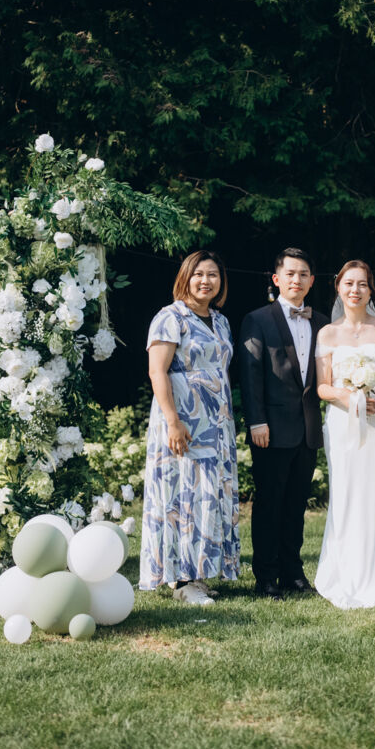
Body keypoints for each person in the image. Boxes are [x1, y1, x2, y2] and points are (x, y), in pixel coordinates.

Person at [139, 250, 239, 606]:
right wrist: (172, 421)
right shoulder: (170, 318)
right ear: (185, 277)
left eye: (213, 275)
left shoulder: (221, 321)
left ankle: (197, 573)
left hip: (216, 424)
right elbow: (157, 371)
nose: (206, 281)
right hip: (183, 421)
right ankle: (181, 580)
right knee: (183, 494)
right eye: (198, 274)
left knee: (208, 495)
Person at [312, 260, 375, 608]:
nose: (355, 290)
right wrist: (348, 397)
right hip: (342, 423)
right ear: (338, 287)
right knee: (346, 492)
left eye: (362, 284)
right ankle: (345, 574)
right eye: (349, 283)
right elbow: (322, 386)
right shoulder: (327, 334)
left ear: (371, 291)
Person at [237, 248, 329, 600]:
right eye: (290, 273)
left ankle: (293, 572)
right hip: (271, 428)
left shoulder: (322, 323)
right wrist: (256, 421)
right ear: (277, 279)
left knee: (296, 505)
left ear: (312, 281)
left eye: (303, 274)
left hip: (307, 428)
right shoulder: (258, 319)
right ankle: (266, 575)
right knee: (269, 504)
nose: (297, 280)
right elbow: (250, 374)